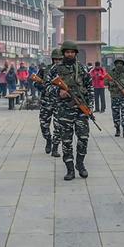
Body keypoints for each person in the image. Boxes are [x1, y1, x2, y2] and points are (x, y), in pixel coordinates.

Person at [48, 41, 92, 180]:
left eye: (72, 52)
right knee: (66, 141)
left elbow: (90, 87)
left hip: (80, 109)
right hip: (64, 110)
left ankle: (80, 164)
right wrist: (58, 91)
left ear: (75, 54)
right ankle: (70, 169)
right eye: (67, 52)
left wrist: (89, 107)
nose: (70, 54)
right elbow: (47, 87)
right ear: (63, 53)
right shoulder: (55, 69)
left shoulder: (82, 68)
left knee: (83, 138)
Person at [39, 50, 63, 155]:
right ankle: (48, 139)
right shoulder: (45, 70)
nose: (57, 61)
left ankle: (55, 147)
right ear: (52, 59)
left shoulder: (64, 70)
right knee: (44, 124)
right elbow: (36, 82)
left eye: (59, 59)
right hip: (46, 101)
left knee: (58, 126)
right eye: (55, 59)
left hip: (59, 102)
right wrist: (41, 86)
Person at [106, 57, 124, 137]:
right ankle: (117, 129)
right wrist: (111, 83)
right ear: (115, 64)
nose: (119, 65)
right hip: (114, 96)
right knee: (115, 114)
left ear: (123, 64)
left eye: (120, 63)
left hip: (123, 97)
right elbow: (105, 82)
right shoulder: (111, 73)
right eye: (117, 63)